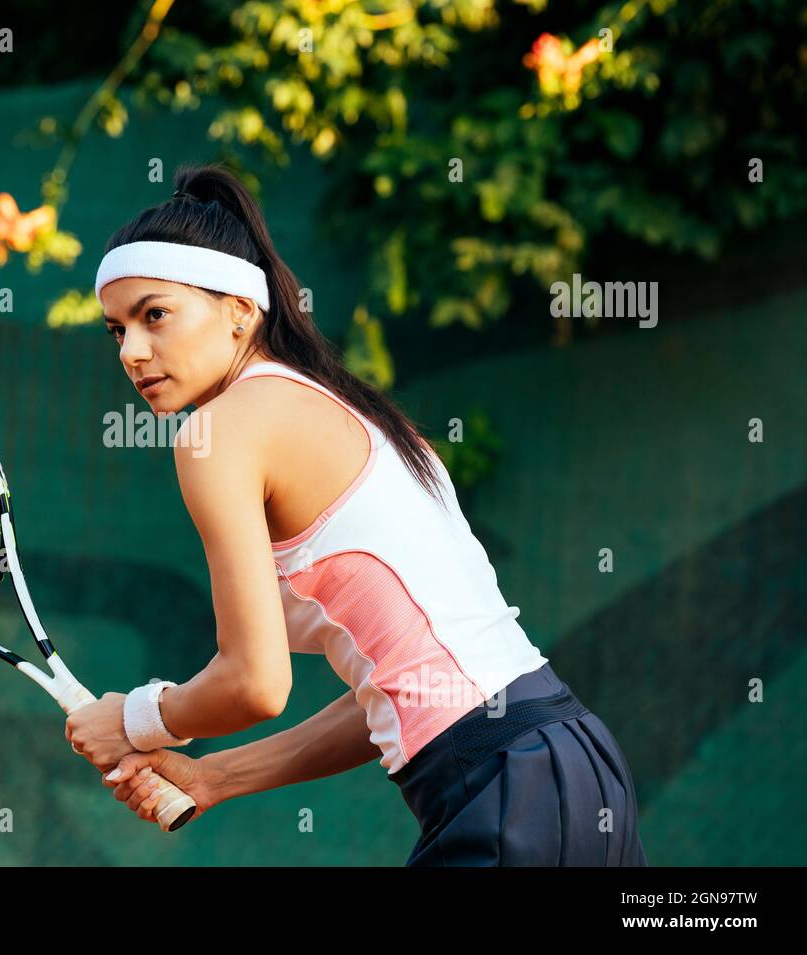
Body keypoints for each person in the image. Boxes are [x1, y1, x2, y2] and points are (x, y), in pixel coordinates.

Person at [64, 162, 647, 866]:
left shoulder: (218, 433)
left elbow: (254, 683)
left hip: (500, 787)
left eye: (155, 315)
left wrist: (134, 718)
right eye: (115, 330)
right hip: (570, 760)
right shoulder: (357, 412)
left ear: (240, 309)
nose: (131, 351)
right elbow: (400, 691)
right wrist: (213, 777)